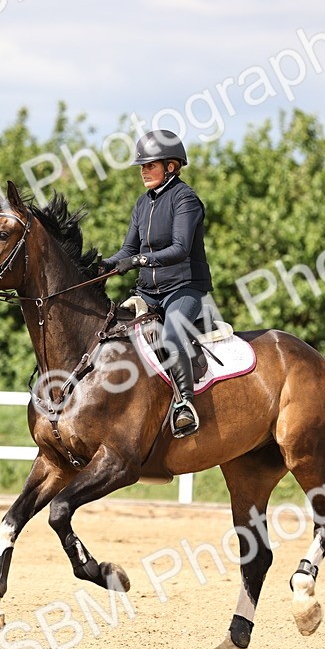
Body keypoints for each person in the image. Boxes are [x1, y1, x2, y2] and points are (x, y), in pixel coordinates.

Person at [100, 129, 212, 438]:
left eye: (150, 165)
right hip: (147, 293)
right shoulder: (142, 203)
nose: (143, 172)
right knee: (111, 334)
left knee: (173, 336)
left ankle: (185, 406)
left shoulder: (185, 199)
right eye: (142, 166)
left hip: (183, 289)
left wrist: (138, 262)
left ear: (171, 166)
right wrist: (102, 265)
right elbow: (127, 250)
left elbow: (179, 249)